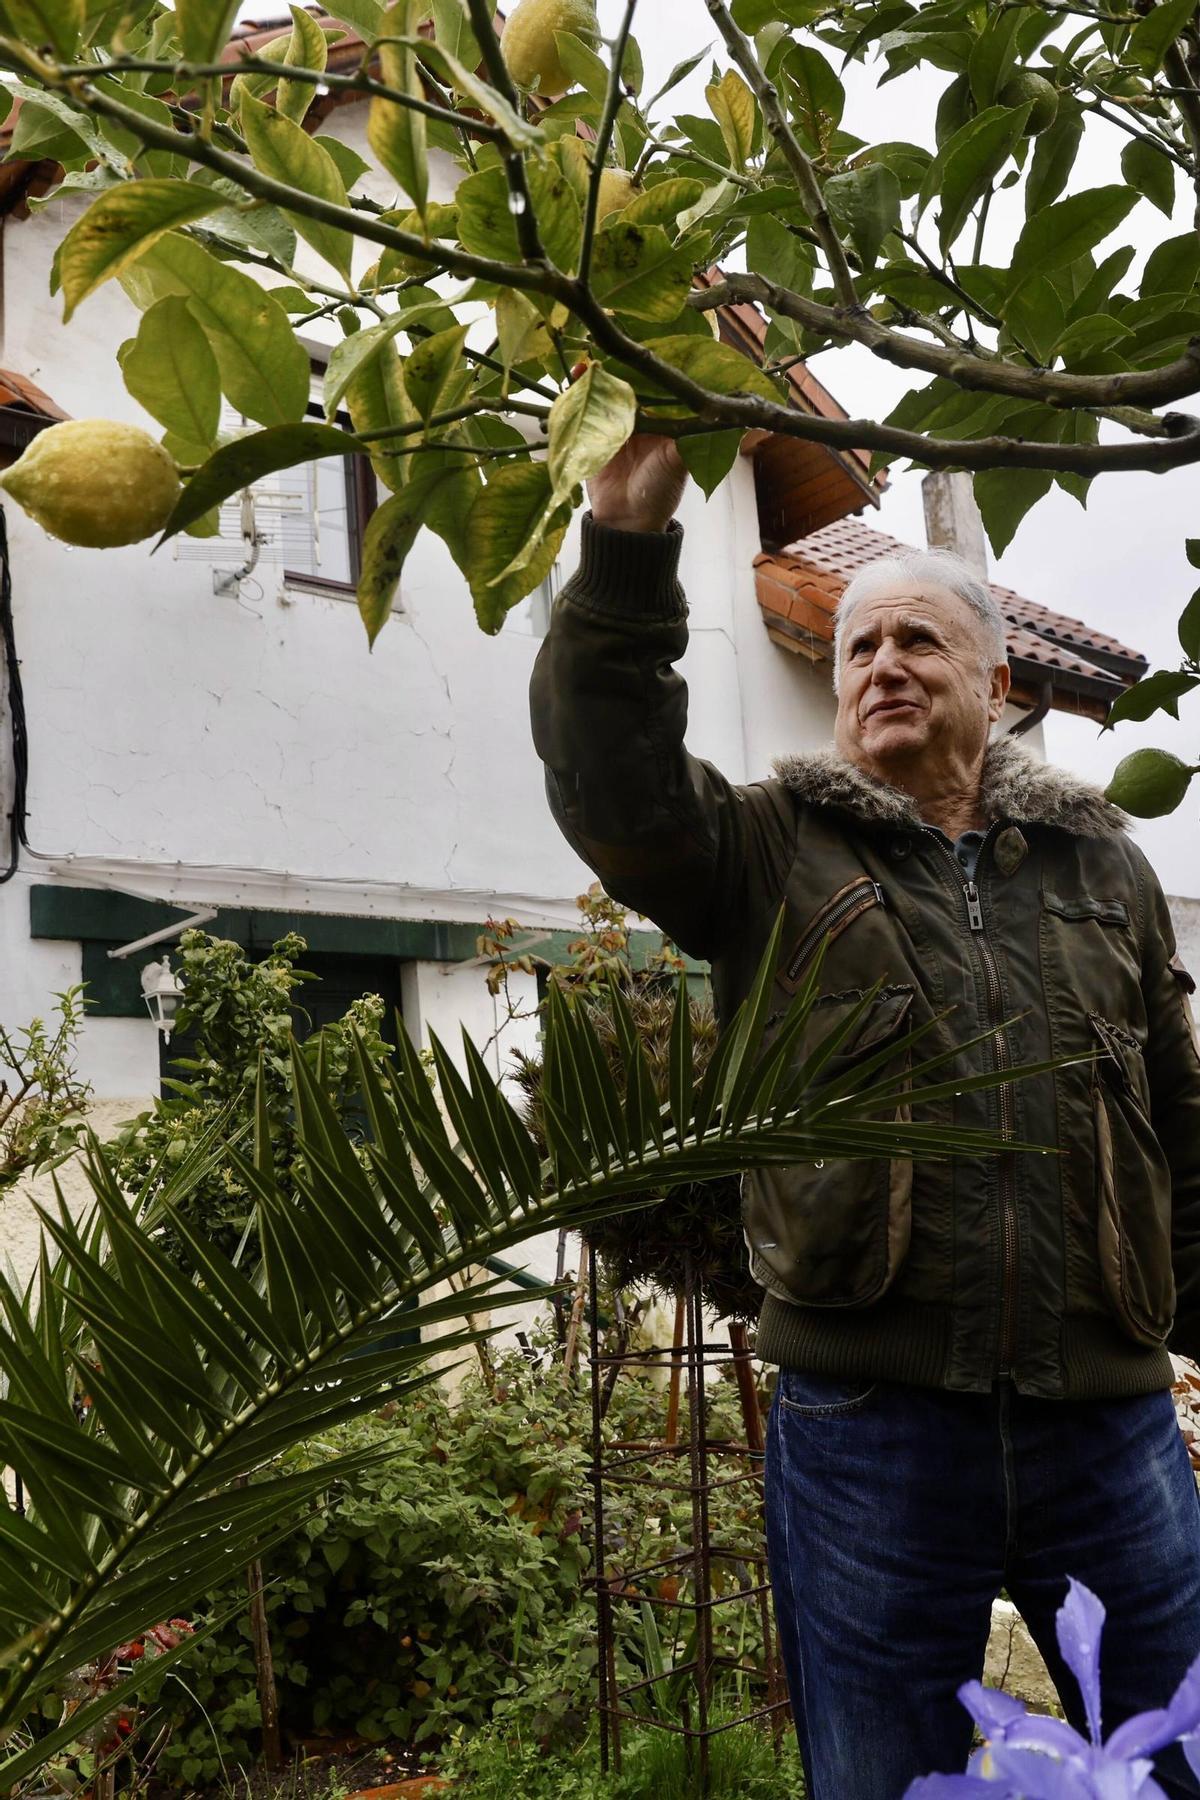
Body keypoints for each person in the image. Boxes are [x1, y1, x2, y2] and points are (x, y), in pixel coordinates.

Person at [529, 433, 1200, 1800]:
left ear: (997, 685)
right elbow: (614, 784)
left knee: (1182, 1759)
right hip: (872, 1431)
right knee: (881, 1780)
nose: (879, 665)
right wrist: (621, 545)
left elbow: (1178, 1132)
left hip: (1108, 1427)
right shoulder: (768, 850)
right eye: (855, 650)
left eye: (915, 643)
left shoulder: (1106, 871)